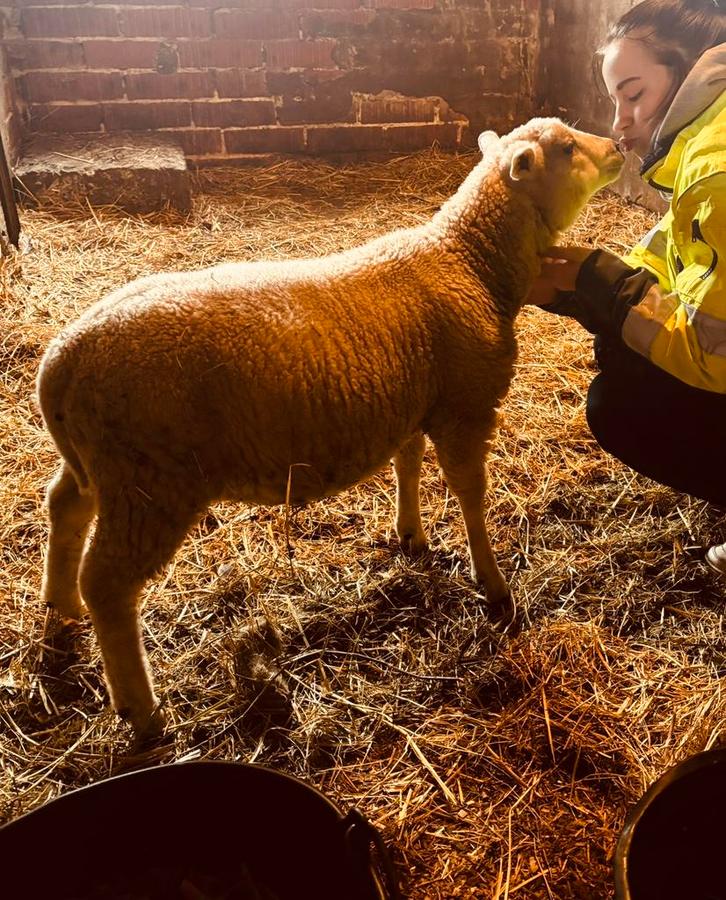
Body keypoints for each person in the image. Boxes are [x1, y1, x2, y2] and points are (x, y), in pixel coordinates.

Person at [528, 0, 726, 572]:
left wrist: (604, 289)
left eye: (633, 95)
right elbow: (667, 256)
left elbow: (718, 354)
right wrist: (582, 289)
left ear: (691, 71)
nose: (618, 124)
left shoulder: (715, 172)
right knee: (624, 352)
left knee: (621, 405)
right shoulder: (704, 151)